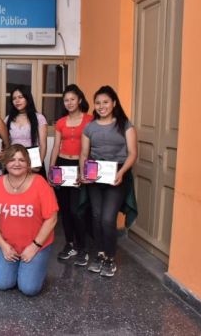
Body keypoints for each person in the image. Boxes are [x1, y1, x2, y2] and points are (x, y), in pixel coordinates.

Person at [80, 85, 137, 277]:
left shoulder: (125, 125)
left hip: (116, 176)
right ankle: (100, 254)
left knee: (107, 218)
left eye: (105, 102)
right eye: (97, 103)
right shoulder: (90, 127)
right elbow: (84, 153)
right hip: (95, 176)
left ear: (113, 103)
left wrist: (121, 173)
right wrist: (83, 172)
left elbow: (132, 154)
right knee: (96, 217)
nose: (101, 106)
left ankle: (110, 257)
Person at [0, 144, 58, 296]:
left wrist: (34, 246)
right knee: (2, 283)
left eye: (21, 160)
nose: (16, 163)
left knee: (29, 288)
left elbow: (51, 219)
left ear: (28, 164)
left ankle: (35, 265)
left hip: (37, 243)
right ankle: (20, 264)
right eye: (12, 159)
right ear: (5, 163)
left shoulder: (40, 184)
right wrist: (3, 245)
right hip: (8, 244)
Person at [48, 84, 93, 265]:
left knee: (78, 210)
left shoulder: (90, 120)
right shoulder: (60, 122)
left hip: (79, 166)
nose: (69, 103)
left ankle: (83, 248)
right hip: (62, 165)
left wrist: (86, 171)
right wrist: (52, 169)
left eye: (72, 99)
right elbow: (56, 147)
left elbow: (92, 148)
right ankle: (70, 244)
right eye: (66, 100)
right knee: (65, 210)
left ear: (79, 100)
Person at [5, 85, 48, 178]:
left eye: (20, 97)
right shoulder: (8, 119)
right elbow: (5, 143)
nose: (17, 101)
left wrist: (39, 162)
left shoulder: (39, 118)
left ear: (27, 98)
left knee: (32, 188)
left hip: (32, 157)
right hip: (13, 156)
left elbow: (43, 144)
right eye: (14, 98)